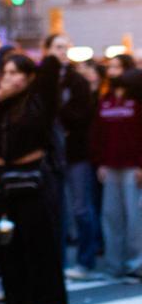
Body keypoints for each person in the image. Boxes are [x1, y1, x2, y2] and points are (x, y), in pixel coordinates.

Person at [0, 54, 69, 304]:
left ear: (29, 76)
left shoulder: (40, 100)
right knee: (10, 248)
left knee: (42, 247)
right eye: (5, 71)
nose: (8, 77)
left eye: (15, 72)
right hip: (6, 184)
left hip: (35, 180)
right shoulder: (0, 103)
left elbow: (51, 65)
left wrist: (31, 66)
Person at [44, 34, 100, 280]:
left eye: (66, 47)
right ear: (47, 50)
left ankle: (85, 260)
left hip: (76, 153)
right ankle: (58, 261)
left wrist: (59, 115)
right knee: (58, 210)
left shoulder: (77, 81)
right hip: (52, 154)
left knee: (81, 208)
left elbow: (82, 115)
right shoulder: (44, 79)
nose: (63, 52)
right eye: (58, 47)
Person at [90, 53, 142, 278]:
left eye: (117, 67)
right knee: (111, 217)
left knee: (134, 219)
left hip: (133, 167)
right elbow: (99, 134)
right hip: (109, 166)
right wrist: (100, 162)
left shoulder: (138, 101)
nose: (112, 72)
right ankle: (114, 265)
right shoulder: (106, 100)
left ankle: (135, 265)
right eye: (110, 68)